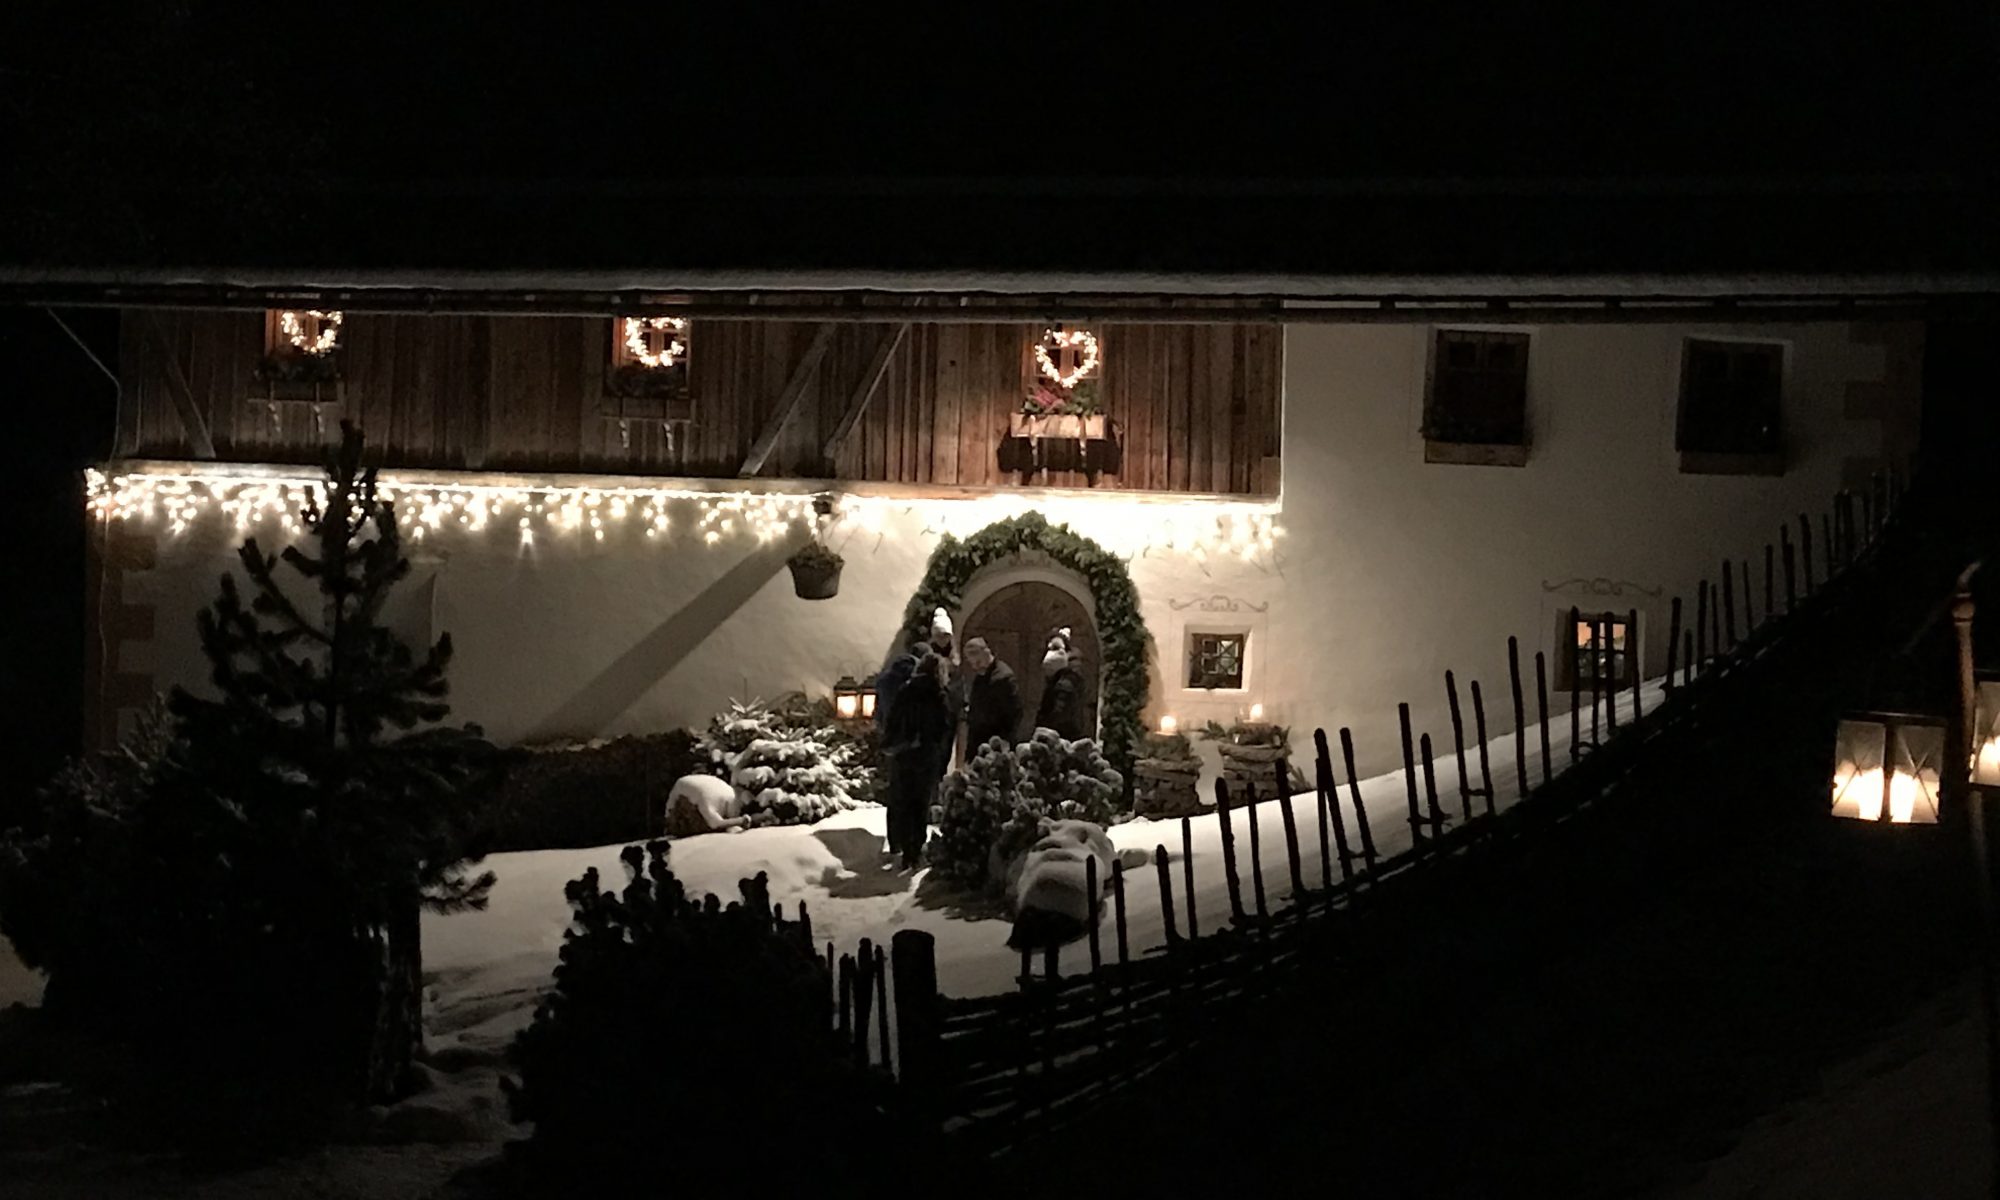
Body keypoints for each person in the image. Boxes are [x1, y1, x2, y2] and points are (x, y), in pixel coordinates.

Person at [883, 650, 954, 869]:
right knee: (920, 803)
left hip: (904, 754)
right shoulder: (938, 694)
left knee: (902, 799)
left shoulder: (906, 690)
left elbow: (892, 721)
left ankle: (902, 846)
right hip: (926, 756)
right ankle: (915, 851)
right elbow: (944, 727)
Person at [875, 607, 954, 735]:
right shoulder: (919, 682)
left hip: (893, 733)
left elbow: (879, 710)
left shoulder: (889, 676)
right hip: (916, 736)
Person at [960, 636, 1023, 756]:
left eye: (977, 662)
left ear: (986, 652)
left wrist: (1004, 740)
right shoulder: (980, 676)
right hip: (977, 741)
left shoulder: (1004, 677)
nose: (975, 667)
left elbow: (1015, 712)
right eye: (972, 663)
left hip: (996, 744)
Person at [1034, 627, 1089, 741]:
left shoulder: (1065, 683)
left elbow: (1059, 715)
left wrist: (1043, 728)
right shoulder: (1069, 675)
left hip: (1061, 739)